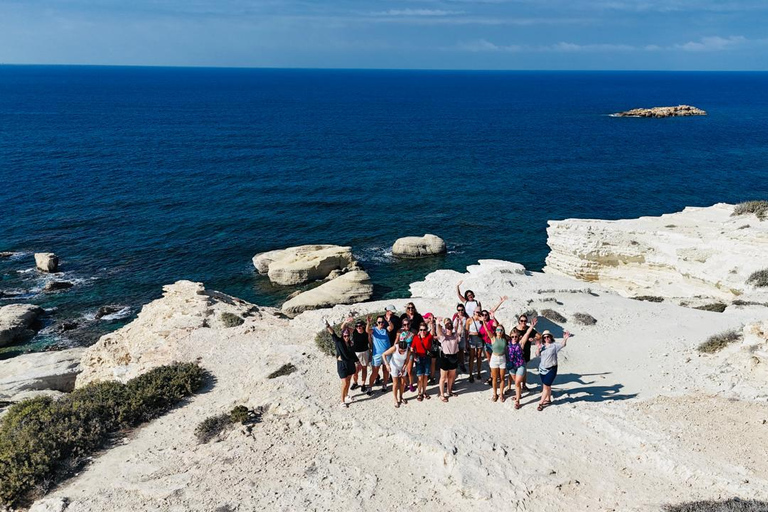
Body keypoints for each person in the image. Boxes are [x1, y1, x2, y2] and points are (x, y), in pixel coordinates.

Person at [324, 320, 358, 408]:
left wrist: (357, 361)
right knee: (344, 383)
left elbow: (353, 353)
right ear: (342, 336)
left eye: (347, 335)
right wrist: (328, 325)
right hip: (342, 365)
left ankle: (346, 396)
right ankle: (342, 401)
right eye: (345, 336)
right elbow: (333, 333)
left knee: (349, 380)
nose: (346, 337)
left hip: (350, 364)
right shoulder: (339, 342)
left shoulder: (351, 343)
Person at [536, 329, 572, 411]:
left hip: (552, 369)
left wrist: (565, 338)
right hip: (542, 369)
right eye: (544, 337)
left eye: (548, 336)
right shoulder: (542, 346)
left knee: (546, 386)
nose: (546, 338)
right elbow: (537, 355)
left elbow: (563, 345)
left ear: (551, 337)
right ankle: (548, 399)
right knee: (546, 385)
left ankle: (541, 403)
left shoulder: (554, 345)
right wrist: (538, 348)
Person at [507, 317, 538, 409]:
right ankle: (518, 394)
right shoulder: (508, 344)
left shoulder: (521, 343)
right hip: (512, 366)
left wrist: (531, 326)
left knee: (517, 383)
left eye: (516, 336)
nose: (514, 338)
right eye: (512, 336)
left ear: (519, 337)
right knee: (516, 382)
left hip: (520, 365)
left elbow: (527, 333)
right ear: (510, 336)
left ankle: (517, 401)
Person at [479, 296, 508, 385]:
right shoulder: (480, 322)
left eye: (485, 315)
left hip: (494, 343)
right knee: (490, 361)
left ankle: (494, 377)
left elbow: (495, 320)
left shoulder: (491, 321)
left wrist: (500, 302)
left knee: (496, 359)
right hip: (486, 344)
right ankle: (493, 376)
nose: (484, 316)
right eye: (482, 315)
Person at [367, 314, 395, 395]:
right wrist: (368, 323)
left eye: (382, 322)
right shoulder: (374, 329)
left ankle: (385, 385)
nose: (381, 323)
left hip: (387, 353)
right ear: (376, 322)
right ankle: (370, 387)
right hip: (377, 355)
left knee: (386, 371)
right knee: (374, 372)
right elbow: (367, 331)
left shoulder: (386, 329)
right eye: (379, 322)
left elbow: (391, 327)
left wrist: (389, 321)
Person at [434, 316, 459, 402]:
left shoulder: (455, 336)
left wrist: (459, 322)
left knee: (452, 376)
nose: (449, 329)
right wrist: (437, 323)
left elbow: (459, 330)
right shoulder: (443, 337)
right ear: (445, 328)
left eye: (450, 328)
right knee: (443, 377)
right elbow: (439, 332)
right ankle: (442, 394)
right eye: (447, 328)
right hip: (445, 358)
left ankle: (449, 390)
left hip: (454, 357)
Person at [514, 313, 539, 392]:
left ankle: (523, 385)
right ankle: (512, 386)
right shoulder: (515, 329)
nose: (523, 322)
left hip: (526, 352)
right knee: (514, 370)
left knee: (524, 370)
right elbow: (511, 338)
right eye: (521, 320)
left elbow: (539, 336)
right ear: (519, 321)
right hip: (516, 353)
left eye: (525, 321)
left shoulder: (529, 329)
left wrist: (534, 338)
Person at [382, 340, 410, 408]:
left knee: (403, 383)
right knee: (396, 382)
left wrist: (403, 368)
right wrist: (387, 364)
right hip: (394, 365)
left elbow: (407, 360)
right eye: (401, 350)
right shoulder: (395, 348)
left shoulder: (408, 349)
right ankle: (395, 399)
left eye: (404, 350)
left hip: (402, 365)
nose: (403, 351)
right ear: (398, 347)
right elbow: (384, 354)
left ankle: (401, 397)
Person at [411, 320, 433, 401]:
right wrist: (414, 355)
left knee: (426, 376)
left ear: (426, 330)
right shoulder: (416, 338)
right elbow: (412, 348)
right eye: (421, 330)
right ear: (418, 330)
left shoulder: (428, 337)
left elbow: (433, 332)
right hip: (419, 359)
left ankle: (424, 392)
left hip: (427, 358)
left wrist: (432, 323)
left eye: (424, 330)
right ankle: (419, 393)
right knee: (420, 377)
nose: (422, 331)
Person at [486, 324, 508, 402]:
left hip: (502, 358)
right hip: (494, 358)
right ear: (495, 331)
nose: (499, 331)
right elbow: (487, 331)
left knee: (502, 378)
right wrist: (484, 322)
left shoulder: (505, 339)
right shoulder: (493, 338)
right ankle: (495, 394)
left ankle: (501, 394)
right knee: (494, 378)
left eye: (501, 330)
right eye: (498, 330)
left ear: (503, 331)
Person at [349, 317, 371, 392]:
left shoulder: (366, 332)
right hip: (356, 353)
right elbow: (343, 328)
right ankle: (355, 382)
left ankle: (363, 384)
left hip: (365, 352)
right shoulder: (354, 331)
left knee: (364, 368)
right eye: (357, 326)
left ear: (363, 326)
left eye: (360, 326)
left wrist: (368, 322)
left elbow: (370, 342)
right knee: (355, 370)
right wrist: (346, 321)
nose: (358, 328)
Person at [395, 318, 416, 392]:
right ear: (402, 324)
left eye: (408, 324)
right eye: (404, 324)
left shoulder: (413, 332)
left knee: (409, 370)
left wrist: (415, 353)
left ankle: (411, 384)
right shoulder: (399, 331)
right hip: (401, 353)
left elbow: (416, 343)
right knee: (402, 370)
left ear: (410, 324)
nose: (406, 326)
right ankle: (405, 384)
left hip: (410, 353)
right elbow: (396, 342)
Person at [465, 309, 485, 383]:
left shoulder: (481, 320)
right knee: (472, 356)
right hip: (472, 339)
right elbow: (466, 331)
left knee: (479, 356)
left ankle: (479, 373)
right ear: (474, 312)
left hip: (479, 339)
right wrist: (466, 342)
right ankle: (471, 374)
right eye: (477, 312)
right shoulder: (469, 320)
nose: (478, 313)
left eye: (479, 312)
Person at [452, 303, 469, 373]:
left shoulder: (466, 318)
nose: (460, 312)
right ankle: (455, 364)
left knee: (461, 350)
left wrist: (467, 338)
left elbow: (467, 329)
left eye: (462, 310)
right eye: (459, 310)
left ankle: (461, 364)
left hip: (462, 335)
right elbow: (453, 326)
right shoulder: (455, 317)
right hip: (455, 335)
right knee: (455, 350)